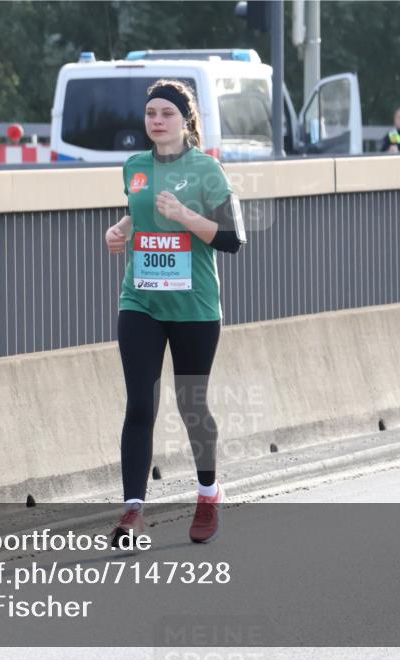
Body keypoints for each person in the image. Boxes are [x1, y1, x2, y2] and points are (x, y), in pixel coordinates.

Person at [104, 79, 246, 547]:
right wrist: (120, 229)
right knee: (140, 404)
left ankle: (208, 493)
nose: (156, 121)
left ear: (185, 120)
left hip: (194, 307)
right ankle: (132, 511)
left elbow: (232, 240)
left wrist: (186, 216)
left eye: (166, 113)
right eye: (150, 114)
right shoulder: (134, 166)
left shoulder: (207, 170)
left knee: (191, 404)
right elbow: (140, 211)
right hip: (140, 300)